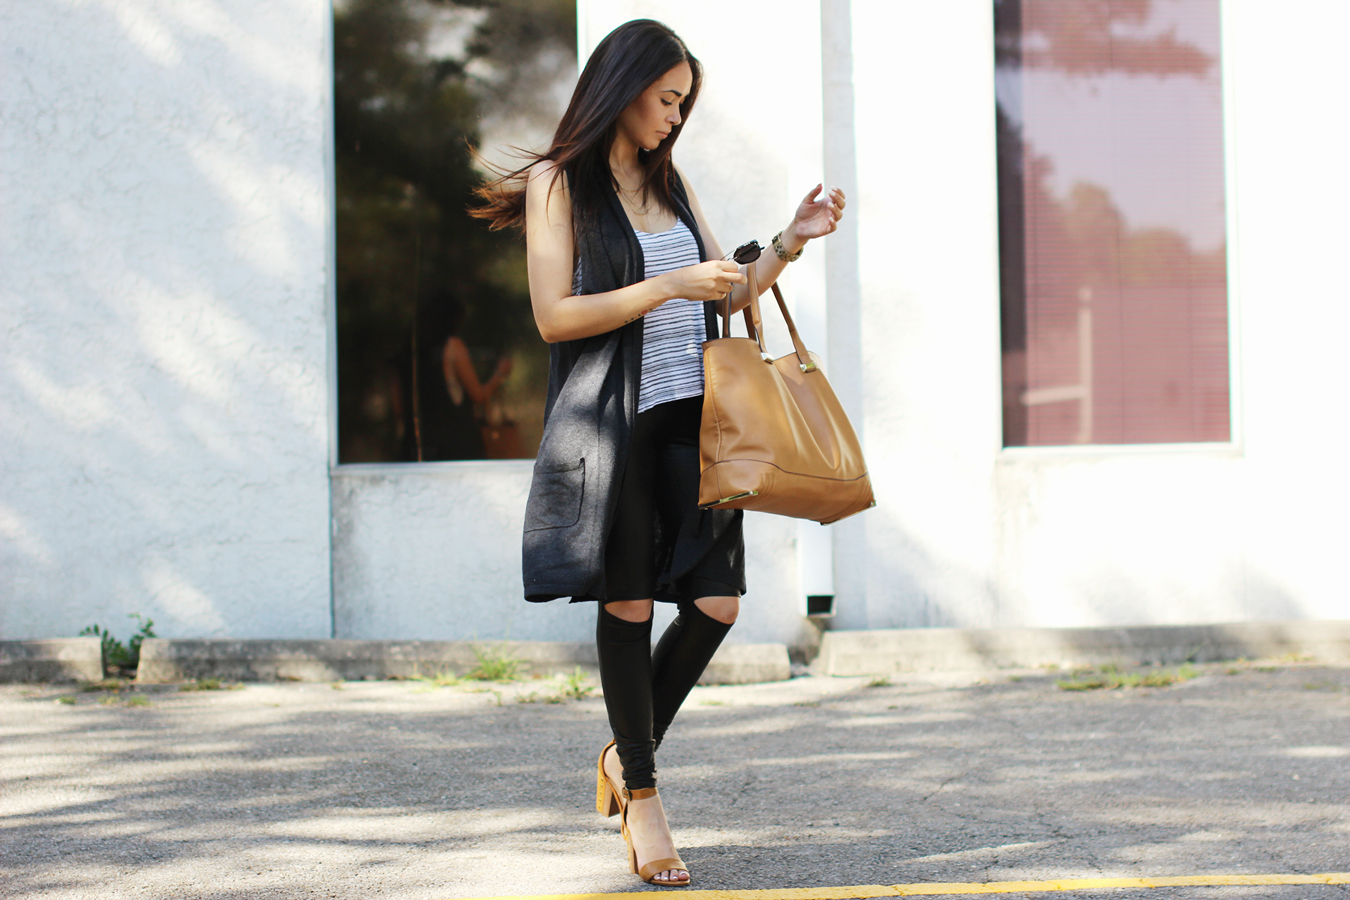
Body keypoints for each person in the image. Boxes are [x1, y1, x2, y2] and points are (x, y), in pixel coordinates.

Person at [471, 19, 845, 886]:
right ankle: (643, 796)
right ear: (624, 86)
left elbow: (732, 284)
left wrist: (789, 240)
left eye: (684, 104)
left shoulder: (670, 181)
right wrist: (667, 286)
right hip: (615, 423)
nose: (676, 117)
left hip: (697, 423)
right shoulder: (560, 185)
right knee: (632, 607)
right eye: (667, 98)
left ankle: (620, 757)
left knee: (716, 605)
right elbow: (554, 317)